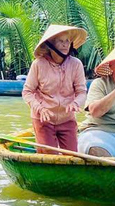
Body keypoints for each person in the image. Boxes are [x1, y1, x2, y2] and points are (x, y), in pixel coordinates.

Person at [22, 24, 88, 153]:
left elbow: (81, 92)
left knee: (72, 156)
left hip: (67, 118)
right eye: (60, 41)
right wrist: (40, 109)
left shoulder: (76, 64)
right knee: (49, 155)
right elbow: (27, 92)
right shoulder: (38, 64)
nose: (65, 45)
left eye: (67, 41)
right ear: (51, 45)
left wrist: (76, 103)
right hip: (43, 119)